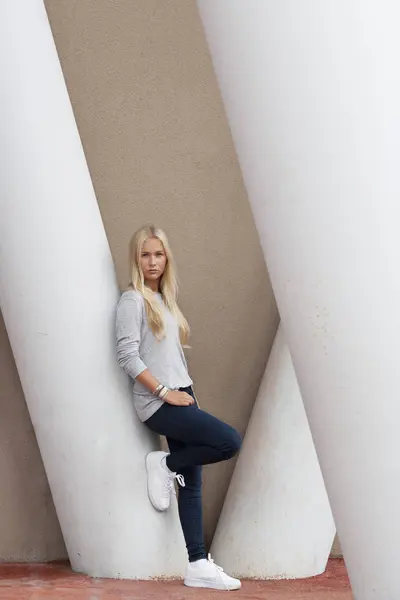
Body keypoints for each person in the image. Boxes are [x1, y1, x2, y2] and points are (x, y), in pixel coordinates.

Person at [116, 224, 242, 590]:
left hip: (183, 395)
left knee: (192, 484)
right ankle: (164, 464)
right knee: (228, 441)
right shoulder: (133, 301)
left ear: (166, 257)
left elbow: (169, 356)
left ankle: (197, 563)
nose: (152, 261)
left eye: (158, 254)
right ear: (135, 258)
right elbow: (127, 356)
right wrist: (164, 393)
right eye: (145, 254)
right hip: (159, 403)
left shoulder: (166, 299)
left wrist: (186, 390)